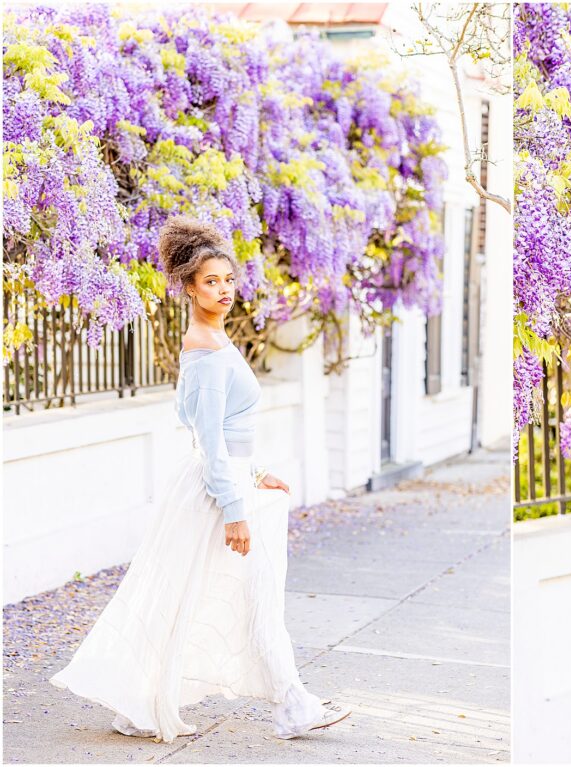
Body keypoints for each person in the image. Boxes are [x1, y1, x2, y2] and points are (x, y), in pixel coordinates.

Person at [50, 216, 350, 742]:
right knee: (251, 597)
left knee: (202, 597)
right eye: (211, 281)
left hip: (226, 482)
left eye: (228, 280)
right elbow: (209, 440)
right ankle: (293, 705)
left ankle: (149, 702)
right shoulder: (207, 350)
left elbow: (215, 429)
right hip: (218, 493)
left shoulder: (210, 338)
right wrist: (235, 508)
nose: (224, 290)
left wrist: (255, 473)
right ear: (188, 287)